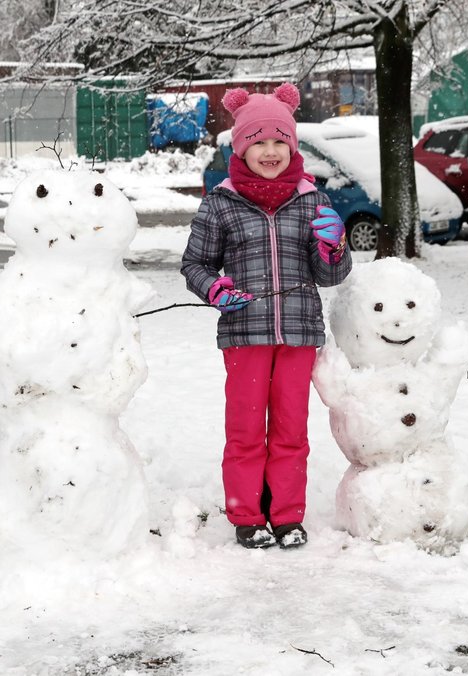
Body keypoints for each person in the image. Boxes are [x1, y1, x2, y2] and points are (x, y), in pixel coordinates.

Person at [180, 83, 352, 550]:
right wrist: (215, 289)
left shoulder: (312, 199)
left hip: (298, 332)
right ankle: (247, 515)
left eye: (280, 141)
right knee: (246, 428)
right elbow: (194, 264)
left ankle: (287, 515)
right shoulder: (221, 201)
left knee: (292, 430)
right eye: (258, 142)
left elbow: (330, 274)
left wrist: (334, 245)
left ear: (293, 144)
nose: (270, 151)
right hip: (244, 332)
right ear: (241, 146)